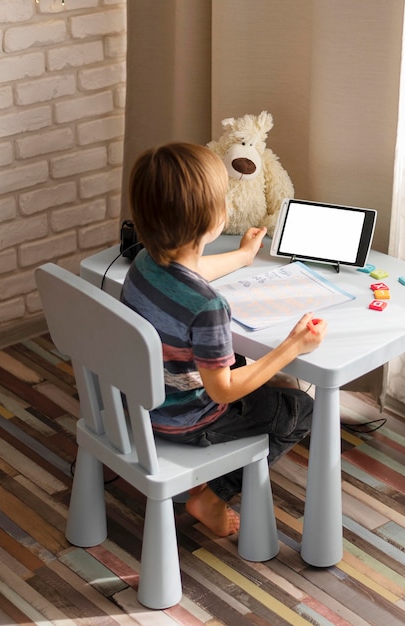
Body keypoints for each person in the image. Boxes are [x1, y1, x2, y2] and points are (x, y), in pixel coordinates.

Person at [121, 142, 327, 537]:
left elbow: (193, 269)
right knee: (302, 407)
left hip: (144, 404)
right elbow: (223, 392)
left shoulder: (147, 262)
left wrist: (243, 257)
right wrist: (292, 347)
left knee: (258, 375)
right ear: (213, 219)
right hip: (186, 420)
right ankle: (214, 496)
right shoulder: (207, 306)